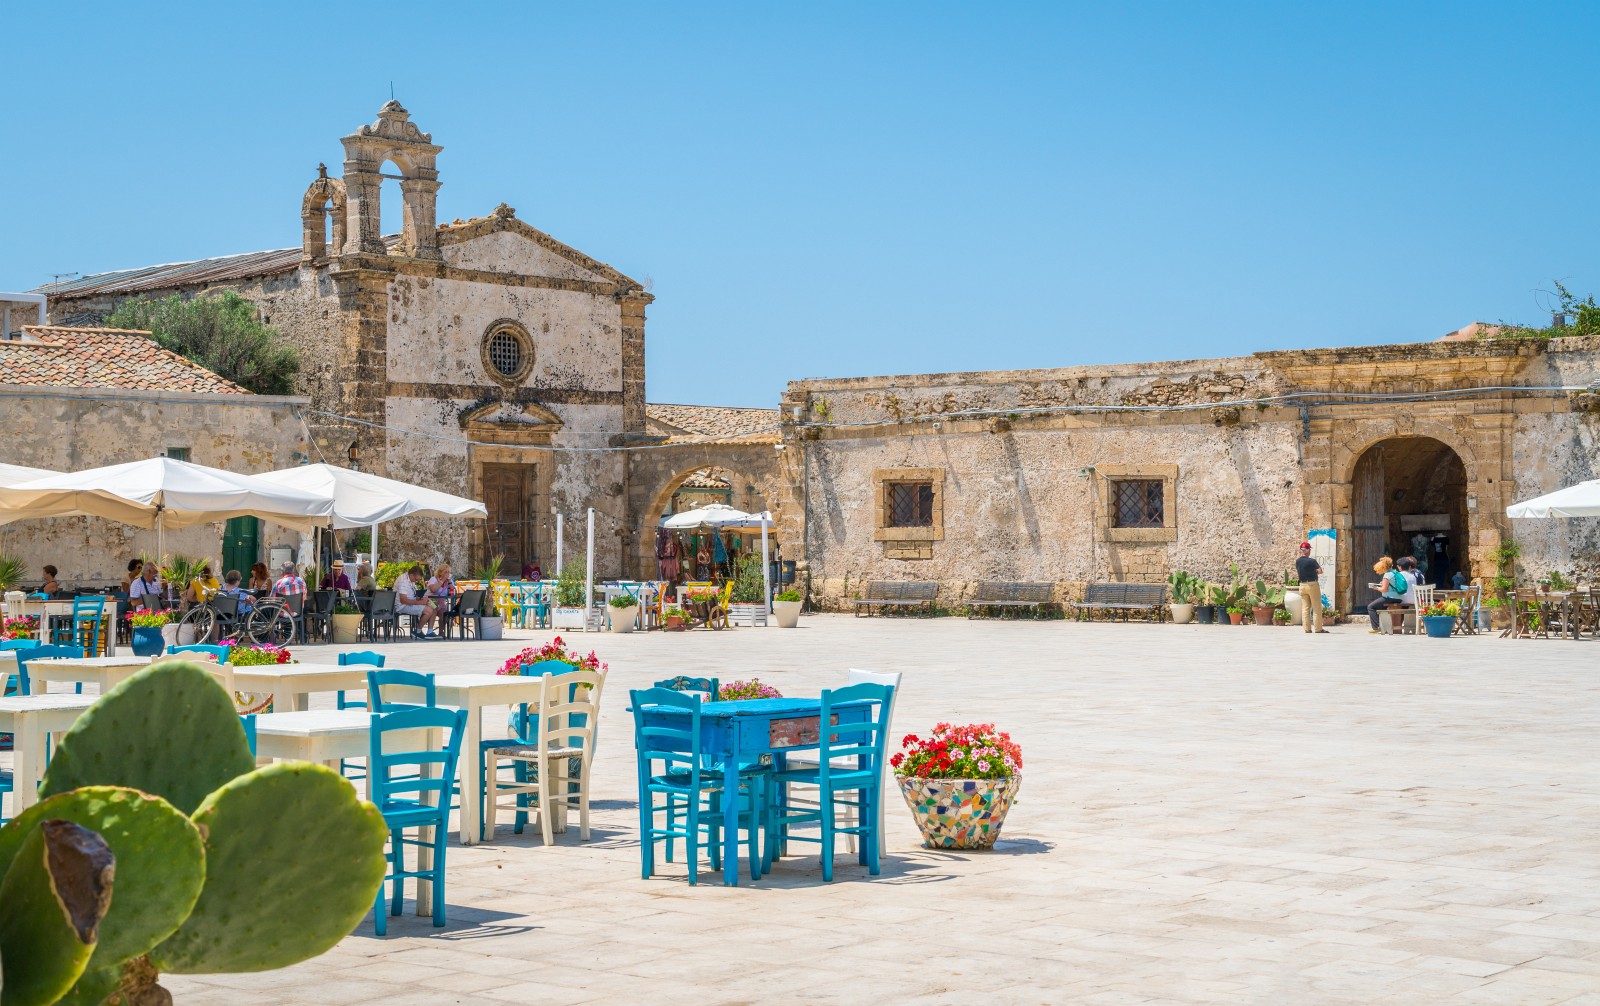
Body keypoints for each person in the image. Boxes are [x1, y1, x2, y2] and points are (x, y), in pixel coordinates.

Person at [393, 563, 439, 639]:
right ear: (411, 575)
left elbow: (413, 595)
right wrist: (420, 602)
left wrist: (422, 600)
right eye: (416, 579)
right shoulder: (403, 581)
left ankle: (430, 632)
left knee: (434, 607)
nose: (416, 581)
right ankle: (417, 631)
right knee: (429, 610)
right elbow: (403, 600)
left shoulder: (411, 580)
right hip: (402, 606)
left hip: (411, 603)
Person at [1367, 557, 1409, 633]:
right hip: (1398, 597)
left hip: (1390, 597)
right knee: (1381, 608)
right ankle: (1385, 627)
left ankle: (1376, 627)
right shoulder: (1395, 573)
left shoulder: (1387, 575)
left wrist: (1376, 588)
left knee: (1371, 607)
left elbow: (1384, 590)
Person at [1294, 542, 1327, 634]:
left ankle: (1307, 629)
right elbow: (1320, 571)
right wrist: (1315, 571)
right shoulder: (1312, 561)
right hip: (1312, 585)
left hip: (1302, 585)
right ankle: (1318, 628)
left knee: (1305, 608)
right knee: (1316, 607)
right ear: (1308, 550)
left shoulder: (1298, 561)